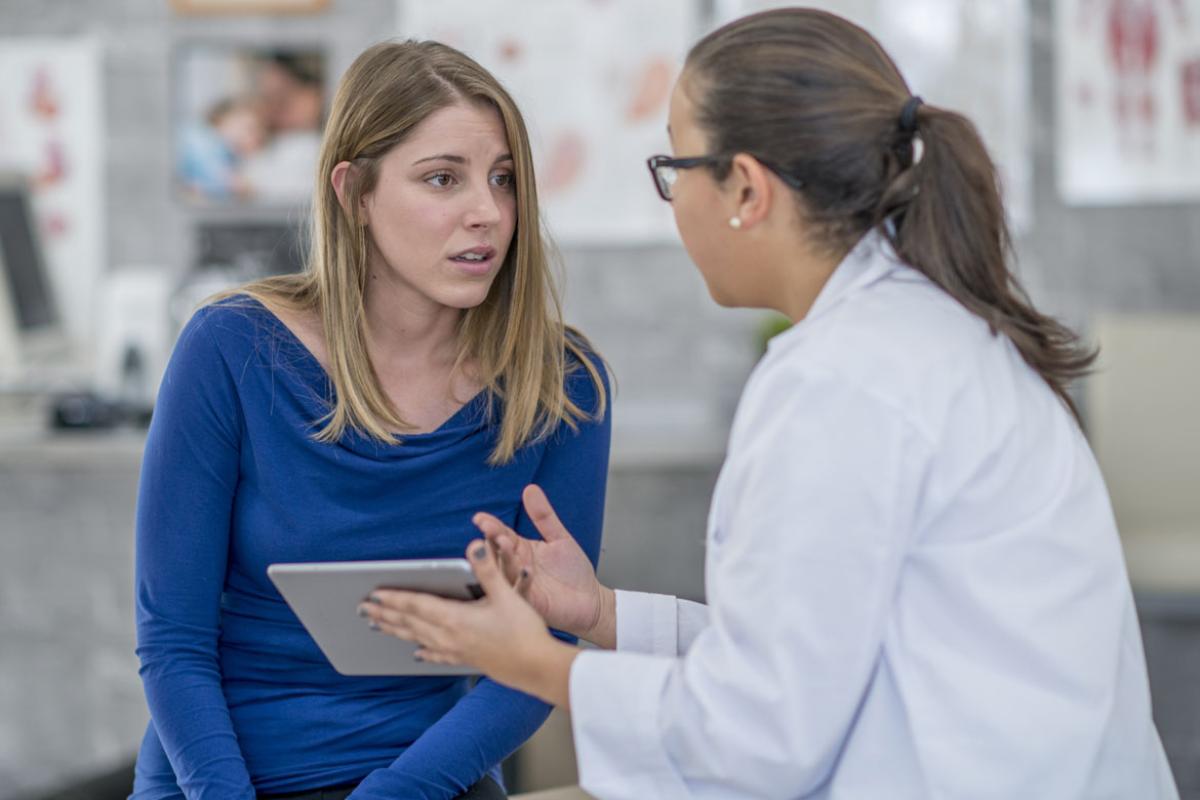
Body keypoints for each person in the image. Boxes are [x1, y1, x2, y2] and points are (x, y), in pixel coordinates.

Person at [361, 9, 1180, 800]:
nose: (674, 200)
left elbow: (759, 739)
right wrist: (602, 614)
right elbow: (815, 656)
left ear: (745, 189)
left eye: (674, 168)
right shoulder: (924, 333)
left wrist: (533, 661)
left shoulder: (838, 381)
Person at [132, 40, 610, 800]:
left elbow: (543, 645)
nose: (487, 212)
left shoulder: (561, 387)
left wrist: (396, 794)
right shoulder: (229, 348)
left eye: (504, 180)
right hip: (212, 781)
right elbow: (173, 644)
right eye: (442, 179)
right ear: (355, 193)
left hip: (425, 781)